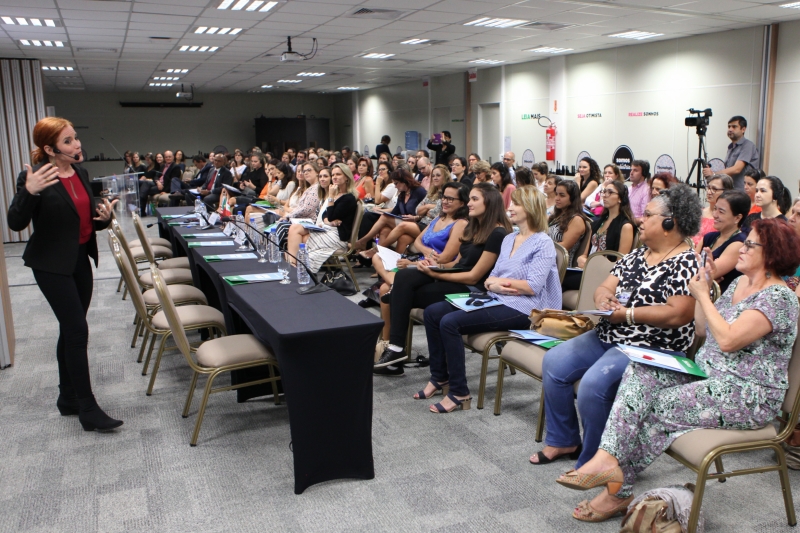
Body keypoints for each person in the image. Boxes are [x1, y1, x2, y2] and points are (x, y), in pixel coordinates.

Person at [559, 218, 800, 523]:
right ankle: (608, 458)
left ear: (773, 253)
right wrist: (706, 286)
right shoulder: (740, 283)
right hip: (710, 375)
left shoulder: (779, 298)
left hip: (747, 395)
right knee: (640, 371)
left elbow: (727, 340)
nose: (742, 248)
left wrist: (700, 294)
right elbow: (702, 327)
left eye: (750, 244)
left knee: (656, 406)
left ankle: (617, 492)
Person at [532, 184, 701, 471]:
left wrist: (629, 314)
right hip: (610, 333)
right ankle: (564, 439)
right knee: (554, 361)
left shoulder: (686, 261)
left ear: (670, 224)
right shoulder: (638, 254)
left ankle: (597, 460)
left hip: (648, 346)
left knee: (593, 385)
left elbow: (678, 315)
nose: (640, 220)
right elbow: (604, 286)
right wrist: (604, 298)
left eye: (647, 215)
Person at [6, 117, 122, 432]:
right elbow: (15, 222)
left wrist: (104, 218)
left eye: (75, 138)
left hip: (79, 260)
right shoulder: (35, 177)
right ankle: (87, 407)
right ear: (49, 148)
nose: (77, 145)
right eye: (68, 141)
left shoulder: (80, 173)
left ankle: (67, 398)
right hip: (51, 264)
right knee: (76, 330)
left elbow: (85, 221)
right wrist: (28, 192)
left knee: (69, 330)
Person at [417, 186, 562, 412]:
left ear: (531, 208)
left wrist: (499, 284)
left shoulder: (542, 243)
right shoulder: (510, 238)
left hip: (526, 309)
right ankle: (439, 378)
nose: (510, 208)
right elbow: (491, 277)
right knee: (433, 312)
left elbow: (532, 287)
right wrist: (496, 284)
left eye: (516, 204)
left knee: (450, 322)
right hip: (498, 298)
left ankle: (459, 392)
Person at [374, 183, 512, 376]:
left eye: (474, 199)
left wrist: (434, 274)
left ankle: (396, 351)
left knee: (402, 294)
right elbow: (455, 264)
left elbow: (474, 277)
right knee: (406, 275)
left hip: (474, 290)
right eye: (469, 199)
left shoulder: (497, 233)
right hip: (455, 278)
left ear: (489, 203)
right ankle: (396, 349)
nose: (469, 204)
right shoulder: (474, 227)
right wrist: (430, 266)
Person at [373, 183, 471, 364]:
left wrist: (422, 259)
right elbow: (417, 241)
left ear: (463, 202)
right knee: (378, 258)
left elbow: (445, 257)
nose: (446, 202)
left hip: (438, 268)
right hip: (422, 261)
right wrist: (427, 253)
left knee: (401, 280)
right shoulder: (438, 219)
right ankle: (396, 293)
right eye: (444, 197)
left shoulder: (460, 224)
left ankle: (396, 345)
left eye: (451, 199)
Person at [287, 163, 358, 273]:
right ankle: (293, 264)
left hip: (338, 237)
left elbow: (330, 215)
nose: (334, 177)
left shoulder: (348, 198)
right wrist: (328, 222)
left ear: (347, 178)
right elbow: (326, 215)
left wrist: (330, 197)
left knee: (303, 239)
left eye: (338, 174)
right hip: (328, 229)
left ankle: (297, 267)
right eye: (333, 174)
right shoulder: (337, 194)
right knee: (294, 228)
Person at [566, 180, 635, 291]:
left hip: (604, 274)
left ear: (620, 199)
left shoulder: (625, 226)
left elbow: (621, 262)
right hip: (587, 269)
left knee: (559, 279)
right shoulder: (598, 222)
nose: (605, 196)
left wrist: (594, 265)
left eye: (610, 192)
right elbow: (584, 254)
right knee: (559, 276)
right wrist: (581, 259)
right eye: (604, 192)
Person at [355, 168, 427, 251]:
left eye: (396, 183)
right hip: (404, 221)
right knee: (384, 230)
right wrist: (381, 214)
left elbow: (424, 211)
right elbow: (395, 211)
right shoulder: (402, 195)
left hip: (416, 224)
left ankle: (364, 242)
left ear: (404, 181)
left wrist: (416, 217)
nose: (395, 186)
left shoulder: (419, 191)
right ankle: (381, 258)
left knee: (384, 217)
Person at [695, 190, 749, 294]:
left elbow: (707, 275)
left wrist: (706, 274)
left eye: (721, 212)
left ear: (737, 218)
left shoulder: (739, 243)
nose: (715, 215)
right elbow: (690, 266)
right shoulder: (709, 237)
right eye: (715, 209)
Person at [272, 161, 322, 248]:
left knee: (282, 225)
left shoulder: (316, 188)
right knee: (278, 223)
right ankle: (276, 251)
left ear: (317, 172)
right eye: (304, 171)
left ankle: (275, 251)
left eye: (309, 170)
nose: (305, 172)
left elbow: (306, 209)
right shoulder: (310, 188)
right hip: (301, 219)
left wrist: (288, 216)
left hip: (309, 221)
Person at [702, 115, 760, 190]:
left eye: (734, 127)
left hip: (743, 192)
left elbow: (737, 169)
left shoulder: (748, 145)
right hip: (730, 190)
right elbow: (727, 169)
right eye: (729, 126)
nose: (730, 129)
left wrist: (713, 174)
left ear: (743, 129)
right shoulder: (730, 147)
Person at [548, 179, 588, 264]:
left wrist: (539, 249)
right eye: (556, 194)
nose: (557, 198)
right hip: (547, 259)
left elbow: (564, 247)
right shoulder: (556, 216)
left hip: (561, 265)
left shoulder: (576, 219)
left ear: (572, 198)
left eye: (562, 195)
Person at [694, 174, 734, 246]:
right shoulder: (698, 212)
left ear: (726, 191)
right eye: (708, 188)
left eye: (714, 189)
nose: (709, 192)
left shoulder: (727, 218)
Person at [628, 159, 651, 224]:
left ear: (643, 173)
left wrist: (630, 221)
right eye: (631, 170)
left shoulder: (646, 190)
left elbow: (645, 217)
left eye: (635, 170)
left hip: (636, 227)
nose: (631, 173)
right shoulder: (628, 189)